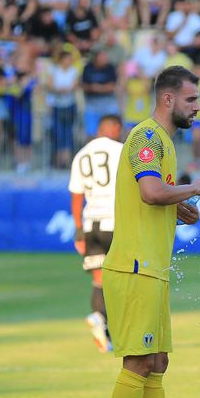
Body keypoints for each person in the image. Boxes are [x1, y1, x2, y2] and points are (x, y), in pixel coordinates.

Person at [97, 66, 200, 398]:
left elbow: (155, 198)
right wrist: (193, 188)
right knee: (139, 361)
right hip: (134, 266)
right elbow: (149, 192)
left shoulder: (164, 141)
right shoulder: (147, 137)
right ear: (168, 99)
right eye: (190, 101)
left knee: (158, 363)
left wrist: (179, 205)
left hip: (153, 269)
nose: (196, 109)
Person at [70, 114, 124, 354]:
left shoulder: (82, 154)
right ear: (114, 129)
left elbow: (76, 195)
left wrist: (79, 230)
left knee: (99, 280)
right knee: (121, 278)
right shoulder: (121, 150)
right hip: (116, 222)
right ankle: (114, 329)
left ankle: (100, 322)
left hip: (91, 223)